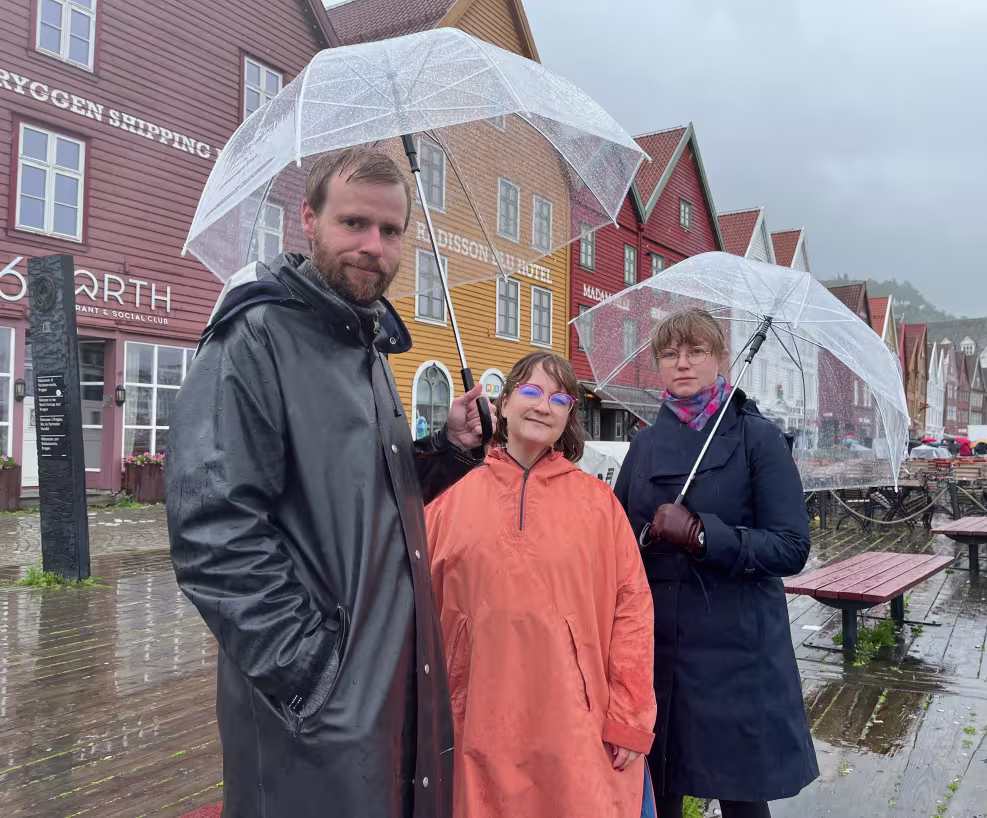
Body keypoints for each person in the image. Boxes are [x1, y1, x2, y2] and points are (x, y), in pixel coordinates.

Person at [165, 147, 496, 818]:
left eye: (391, 231)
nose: (373, 246)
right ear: (309, 220)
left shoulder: (365, 347)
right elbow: (213, 532)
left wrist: (445, 451)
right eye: (354, 224)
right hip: (315, 715)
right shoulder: (254, 337)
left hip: (390, 696)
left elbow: (362, 500)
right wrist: (314, 677)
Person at [425, 351, 656, 818]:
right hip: (476, 724)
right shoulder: (450, 502)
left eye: (559, 398)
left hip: (574, 726)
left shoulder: (599, 504)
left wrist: (630, 719)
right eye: (530, 391)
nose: (542, 406)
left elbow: (631, 608)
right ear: (503, 403)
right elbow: (414, 614)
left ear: (569, 415)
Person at [615, 309, 818, 818]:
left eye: (696, 352)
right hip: (660, 652)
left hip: (738, 653)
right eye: (669, 354)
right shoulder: (642, 446)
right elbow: (615, 542)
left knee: (741, 798)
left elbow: (791, 547)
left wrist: (707, 535)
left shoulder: (759, 439)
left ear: (721, 360)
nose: (682, 364)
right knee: (660, 791)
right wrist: (637, 538)